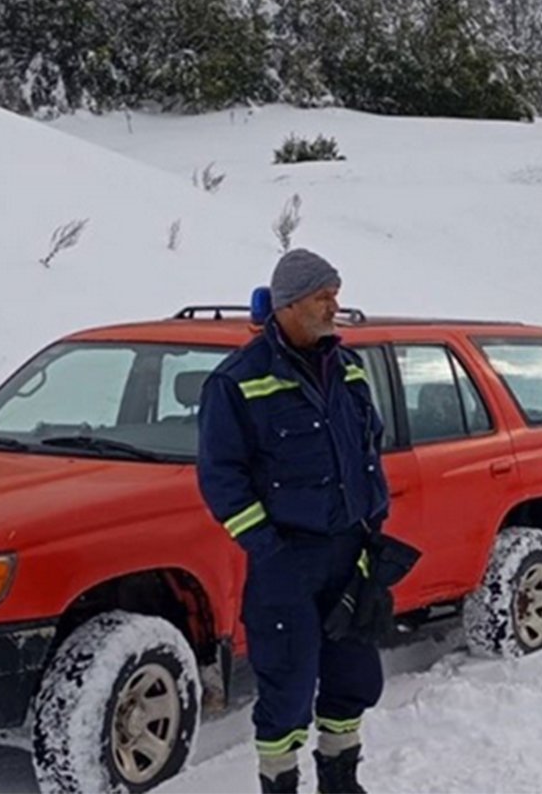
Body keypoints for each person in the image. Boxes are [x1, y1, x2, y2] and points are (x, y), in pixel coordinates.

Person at [197, 248, 390, 794]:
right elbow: (221, 478)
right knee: (288, 684)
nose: (334, 306)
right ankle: (280, 784)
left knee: (353, 677)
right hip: (286, 560)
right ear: (288, 303)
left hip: (349, 553)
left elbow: (369, 447)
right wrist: (267, 548)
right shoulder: (237, 381)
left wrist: (373, 526)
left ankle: (340, 780)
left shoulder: (349, 368)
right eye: (323, 296)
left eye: (335, 295)